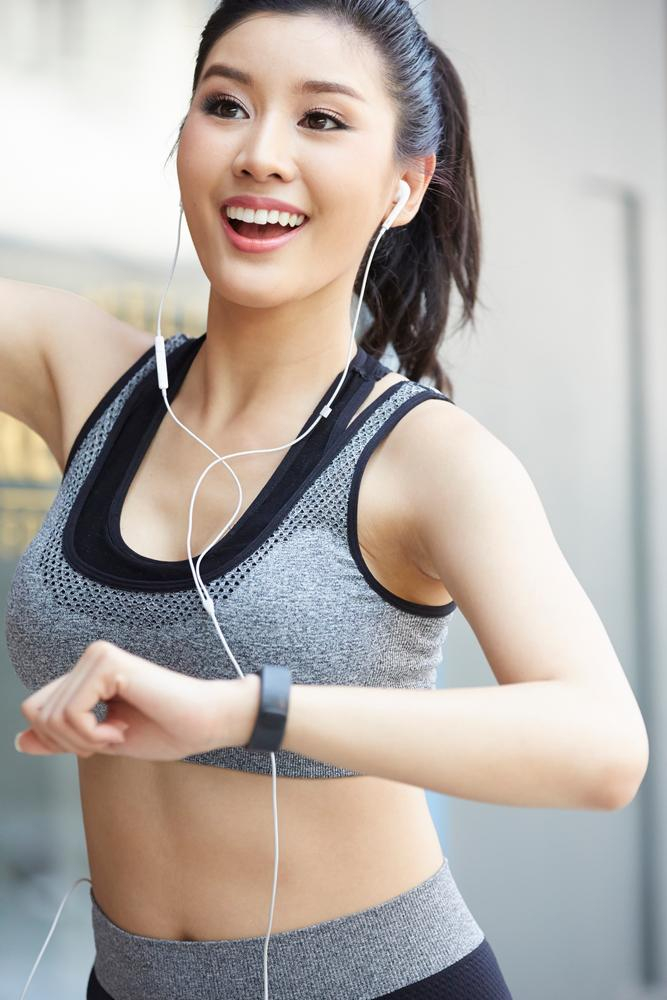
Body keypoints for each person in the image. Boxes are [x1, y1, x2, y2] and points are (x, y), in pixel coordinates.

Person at [3, 2, 649, 998]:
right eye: (226, 104)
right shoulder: (80, 370)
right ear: (183, 140)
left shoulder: (426, 457)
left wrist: (248, 709)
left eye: (321, 120)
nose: (260, 152)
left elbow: (600, 747)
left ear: (404, 185)